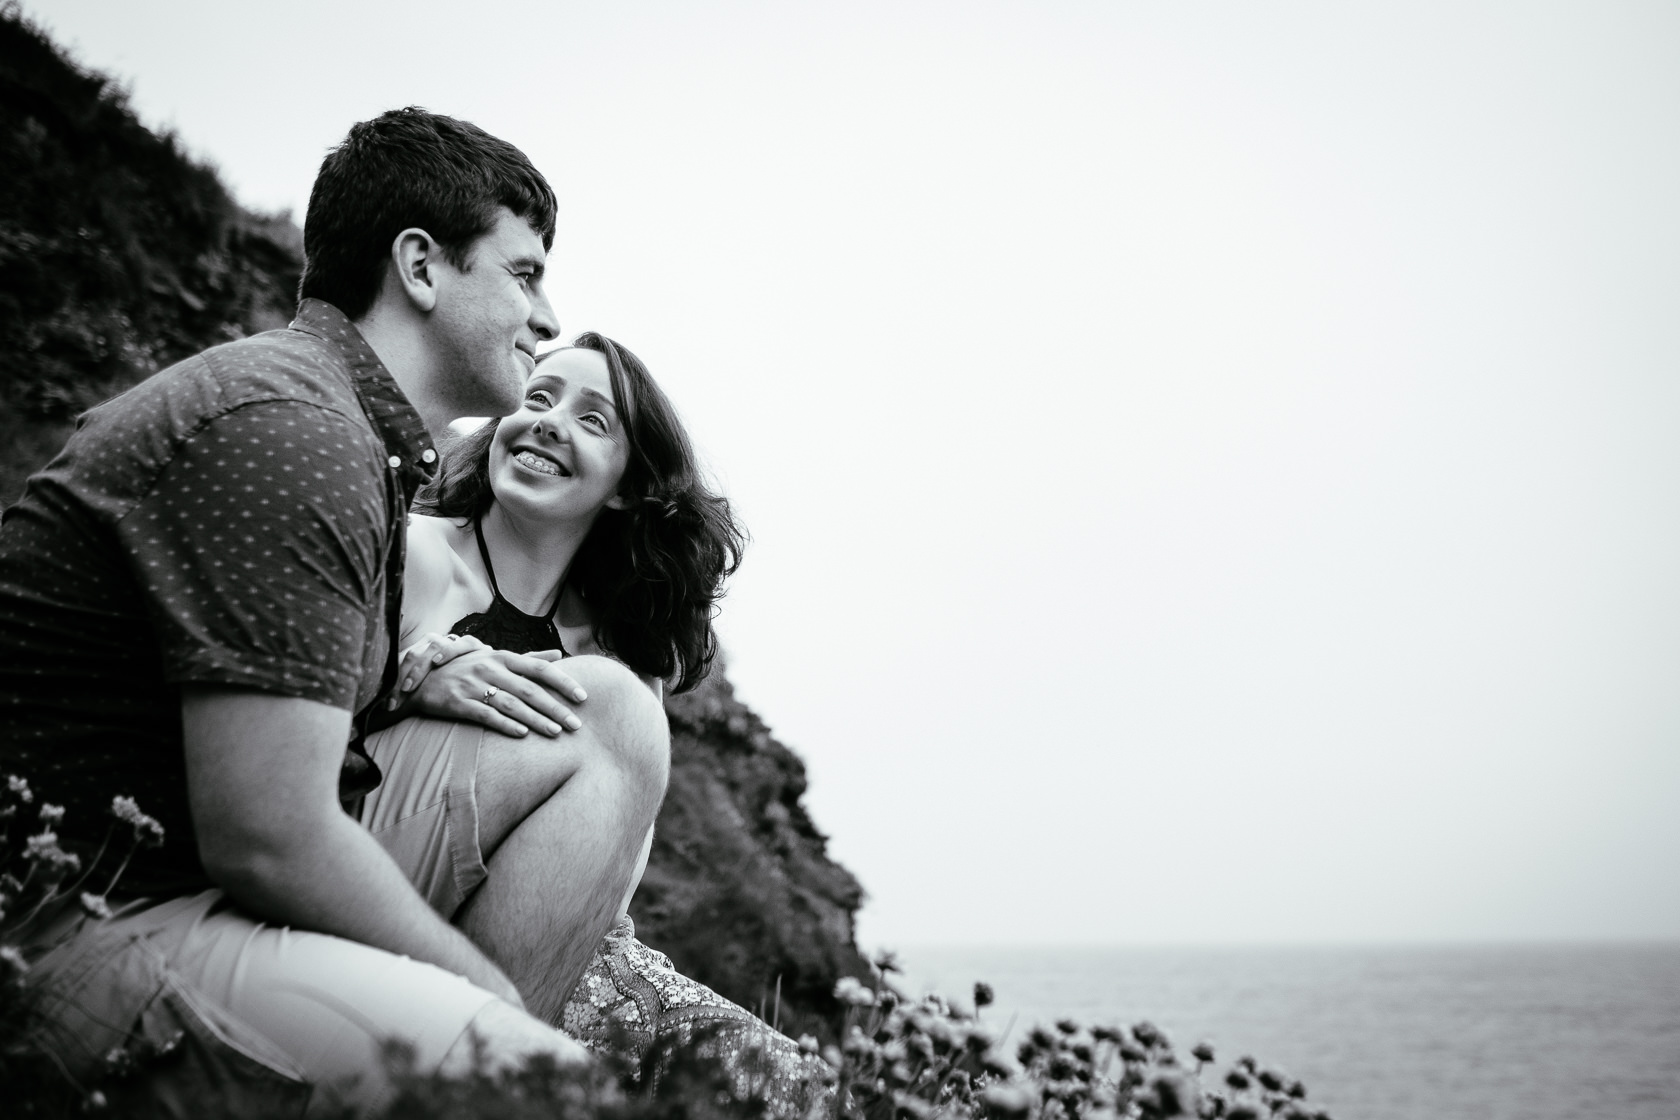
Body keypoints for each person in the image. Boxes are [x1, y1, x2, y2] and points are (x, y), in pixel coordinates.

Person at [0, 108, 666, 1115]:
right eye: (524, 274)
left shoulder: (344, 429)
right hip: (79, 923)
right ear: (422, 267)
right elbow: (268, 834)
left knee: (611, 714)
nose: (544, 316)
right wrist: (486, 1006)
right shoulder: (296, 431)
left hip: (177, 877)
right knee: (544, 1088)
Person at [356, 337, 820, 1104]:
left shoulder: (621, 663)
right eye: (536, 399)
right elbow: (302, 742)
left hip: (566, 955)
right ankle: (480, 1088)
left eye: (591, 420)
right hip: (385, 882)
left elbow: (603, 880)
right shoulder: (411, 549)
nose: (547, 422)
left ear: (624, 490)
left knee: (795, 1087)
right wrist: (408, 682)